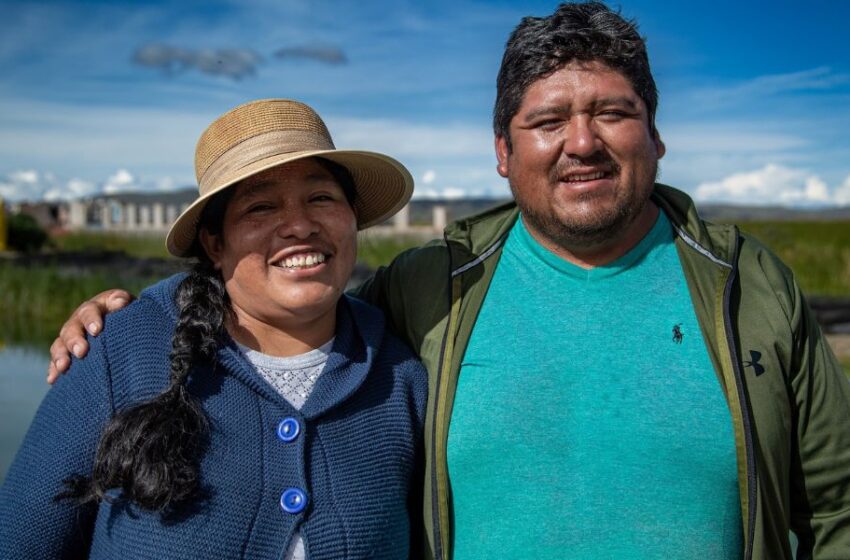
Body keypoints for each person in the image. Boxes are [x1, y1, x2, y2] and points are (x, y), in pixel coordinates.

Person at [46, 3, 850, 559]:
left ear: (657, 134)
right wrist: (133, 320)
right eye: (546, 121)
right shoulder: (432, 286)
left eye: (613, 111)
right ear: (502, 151)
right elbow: (285, 326)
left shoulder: (750, 286)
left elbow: (839, 504)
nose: (582, 142)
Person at [0, 99, 428, 559]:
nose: (300, 225)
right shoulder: (119, 352)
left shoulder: (400, 374)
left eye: (321, 198)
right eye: (260, 207)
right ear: (214, 243)